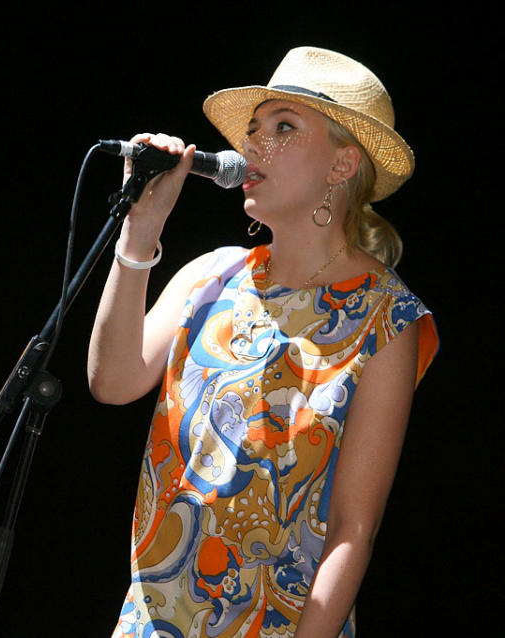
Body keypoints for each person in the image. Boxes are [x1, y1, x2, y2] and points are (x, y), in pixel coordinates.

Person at [88, 47, 439, 637]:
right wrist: (140, 230)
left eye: (283, 128)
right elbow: (113, 380)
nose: (253, 145)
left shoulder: (387, 318)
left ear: (342, 165)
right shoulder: (213, 276)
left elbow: (355, 528)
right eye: (252, 130)